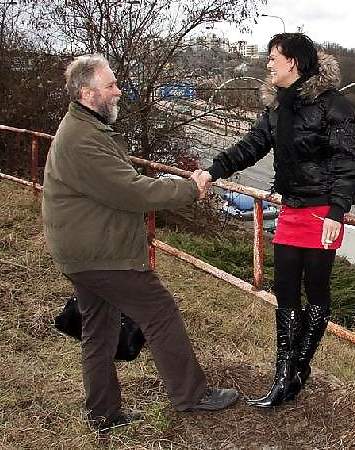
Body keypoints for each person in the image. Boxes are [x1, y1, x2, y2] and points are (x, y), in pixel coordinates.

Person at [42, 53, 238, 432]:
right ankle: (192, 394)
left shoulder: (83, 130)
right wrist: (189, 188)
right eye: (111, 85)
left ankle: (103, 413)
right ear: (87, 93)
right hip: (103, 254)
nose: (118, 92)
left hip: (81, 251)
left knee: (97, 330)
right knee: (160, 312)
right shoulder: (83, 140)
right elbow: (132, 191)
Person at [201, 33, 355, 407]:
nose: (268, 64)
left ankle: (297, 370)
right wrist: (211, 172)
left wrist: (337, 211)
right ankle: (284, 374)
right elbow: (250, 147)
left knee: (318, 293)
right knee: (285, 291)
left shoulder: (334, 105)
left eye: (274, 57)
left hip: (324, 212)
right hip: (292, 209)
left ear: (293, 61)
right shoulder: (278, 108)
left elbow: (350, 164)